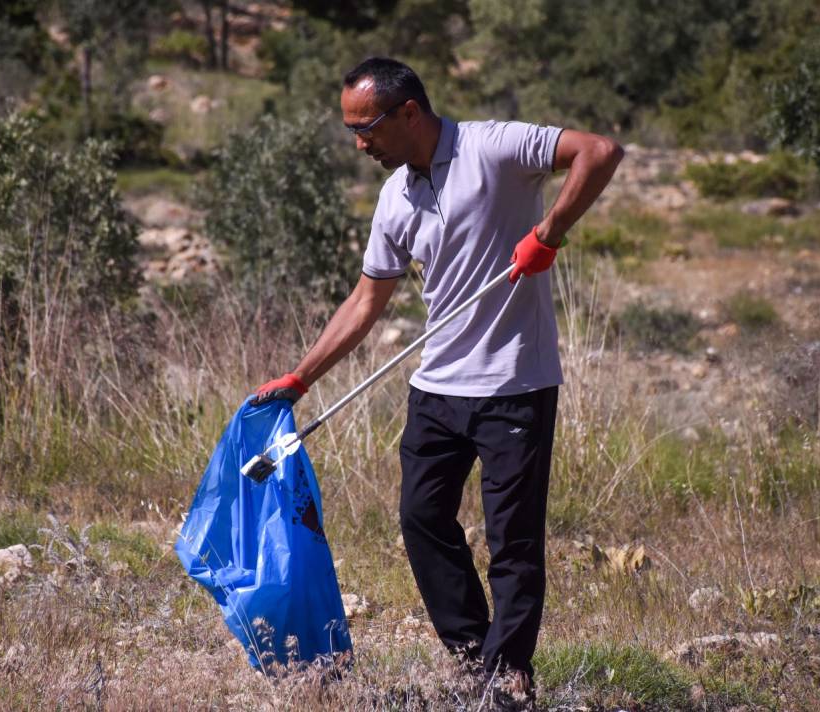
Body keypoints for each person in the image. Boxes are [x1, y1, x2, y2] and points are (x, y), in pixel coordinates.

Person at [252, 57, 623, 695]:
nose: (359, 142)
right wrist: (300, 377)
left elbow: (601, 151)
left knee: (512, 543)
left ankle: (509, 681)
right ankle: (474, 653)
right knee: (422, 519)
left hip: (515, 385)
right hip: (437, 389)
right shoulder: (395, 195)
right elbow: (366, 303)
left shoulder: (496, 145)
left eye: (365, 127)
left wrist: (549, 233)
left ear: (410, 113)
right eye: (351, 130)